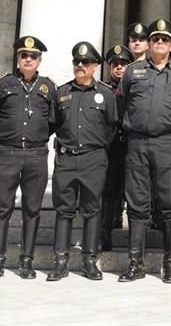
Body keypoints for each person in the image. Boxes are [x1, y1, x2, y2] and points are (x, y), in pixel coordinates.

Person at [118, 18, 171, 283]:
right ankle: (135, 264)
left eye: (165, 39)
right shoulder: (132, 72)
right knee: (137, 203)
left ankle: (170, 263)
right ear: (149, 44)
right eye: (155, 39)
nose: (160, 43)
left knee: (170, 204)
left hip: (168, 144)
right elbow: (122, 103)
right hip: (137, 143)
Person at [0, 35, 56, 281]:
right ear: (18, 58)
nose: (28, 59)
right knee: (2, 207)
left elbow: (54, 121)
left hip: (36, 155)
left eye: (33, 56)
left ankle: (26, 262)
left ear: (39, 60)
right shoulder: (2, 85)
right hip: (8, 154)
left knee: (32, 209)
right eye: (24, 55)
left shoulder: (48, 87)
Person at [47, 42, 118, 282]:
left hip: (93, 159)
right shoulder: (62, 92)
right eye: (77, 62)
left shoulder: (106, 94)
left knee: (92, 210)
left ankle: (89, 260)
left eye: (85, 63)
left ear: (95, 66)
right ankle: (60, 261)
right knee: (64, 210)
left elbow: (111, 127)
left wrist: (94, 147)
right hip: (66, 159)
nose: (80, 66)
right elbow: (54, 123)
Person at [100, 44, 134, 251]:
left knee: (135, 191)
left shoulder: (137, 87)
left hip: (133, 144)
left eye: (123, 64)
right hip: (111, 147)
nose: (119, 67)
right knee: (109, 191)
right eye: (116, 64)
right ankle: (106, 232)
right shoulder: (103, 89)